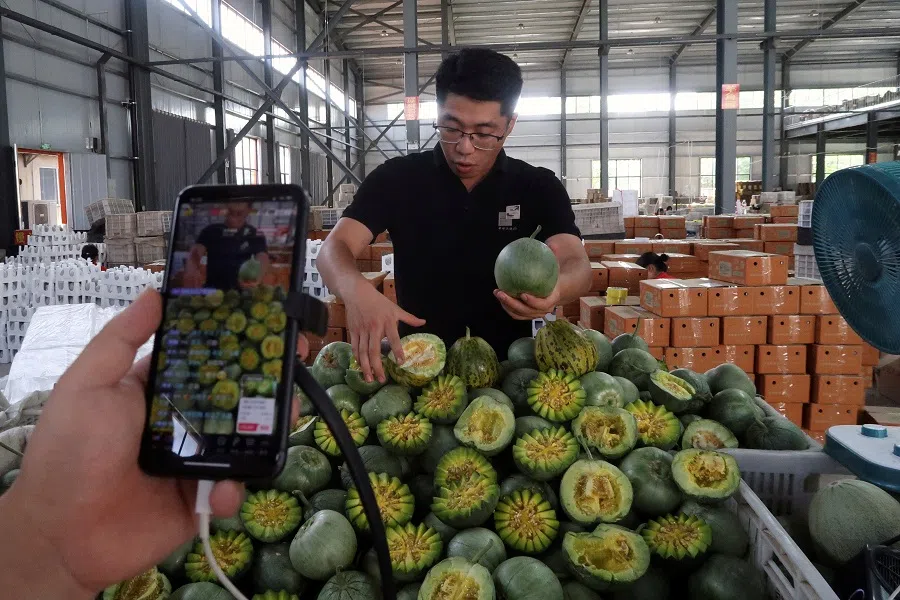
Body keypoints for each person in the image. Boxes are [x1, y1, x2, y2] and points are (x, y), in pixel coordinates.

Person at [318, 48, 592, 383]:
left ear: (510, 125)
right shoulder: (397, 179)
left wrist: (557, 291)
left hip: (509, 374)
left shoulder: (537, 186)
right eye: (451, 128)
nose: (464, 147)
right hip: (416, 368)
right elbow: (334, 249)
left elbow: (577, 266)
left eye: (484, 133)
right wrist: (355, 290)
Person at [182, 202, 270, 290]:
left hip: (244, 294)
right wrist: (191, 269)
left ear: (248, 211)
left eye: (239, 214)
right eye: (230, 212)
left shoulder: (255, 234)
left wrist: (257, 275)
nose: (233, 218)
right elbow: (196, 250)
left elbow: (262, 257)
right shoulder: (211, 231)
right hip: (212, 293)